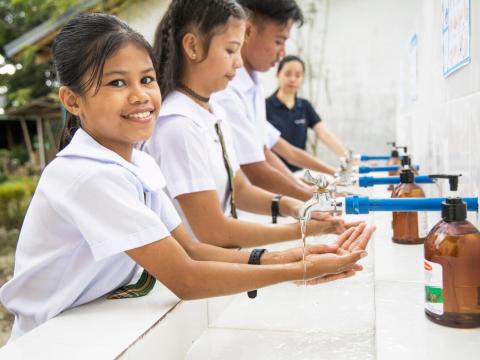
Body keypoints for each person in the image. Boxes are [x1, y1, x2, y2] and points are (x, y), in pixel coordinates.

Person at [0, 12, 373, 341]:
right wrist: (300, 267)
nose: (140, 95)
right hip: (51, 341)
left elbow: (192, 248)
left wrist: (293, 256)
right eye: (117, 83)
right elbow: (187, 277)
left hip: (92, 327)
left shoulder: (137, 165)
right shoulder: (87, 175)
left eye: (147, 79)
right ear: (72, 101)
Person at [144, 0, 361, 248]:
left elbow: (242, 190)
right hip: (193, 271)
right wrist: (304, 228)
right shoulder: (178, 125)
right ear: (192, 46)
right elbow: (212, 231)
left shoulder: (213, 111)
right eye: (230, 50)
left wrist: (295, 207)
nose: (238, 62)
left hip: (220, 261)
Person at [213, 0, 336, 202]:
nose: (282, 53)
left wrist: (307, 189)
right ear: (248, 31)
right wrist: (315, 197)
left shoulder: (255, 84)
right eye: (278, 41)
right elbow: (256, 169)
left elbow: (264, 151)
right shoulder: (226, 90)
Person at [267, 55, 348, 172]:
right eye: (288, 74)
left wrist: (348, 159)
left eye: (298, 75)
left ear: (303, 79)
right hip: (274, 174)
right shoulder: (264, 106)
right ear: (278, 75)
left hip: (300, 174)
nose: (292, 79)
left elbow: (324, 134)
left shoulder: (304, 106)